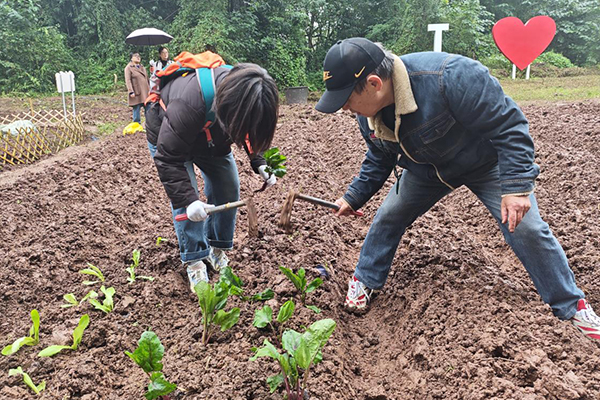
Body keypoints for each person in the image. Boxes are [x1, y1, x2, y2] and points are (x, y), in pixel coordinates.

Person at [315, 37, 600, 340]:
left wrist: (516, 188)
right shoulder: (369, 116)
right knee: (389, 215)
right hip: (429, 170)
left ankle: (571, 306)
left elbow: (510, 127)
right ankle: (365, 280)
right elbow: (378, 158)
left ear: (374, 84)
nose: (344, 107)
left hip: (487, 164)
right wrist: (352, 197)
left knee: (527, 228)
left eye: (346, 98)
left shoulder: (450, 77)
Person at [145, 58, 278, 293]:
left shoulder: (242, 94)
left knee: (228, 185)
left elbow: (250, 127)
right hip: (170, 137)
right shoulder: (189, 102)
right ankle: (195, 260)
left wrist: (259, 161)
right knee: (187, 199)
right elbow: (168, 159)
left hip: (211, 139)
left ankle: (217, 248)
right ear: (230, 112)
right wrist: (189, 201)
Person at [124, 52, 150, 123]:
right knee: (136, 110)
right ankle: (137, 125)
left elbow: (147, 79)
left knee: (149, 109)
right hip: (136, 92)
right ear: (131, 58)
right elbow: (128, 80)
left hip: (146, 92)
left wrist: (150, 89)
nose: (138, 57)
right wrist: (131, 91)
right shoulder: (129, 68)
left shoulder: (142, 67)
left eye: (139, 56)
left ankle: (149, 125)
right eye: (135, 56)